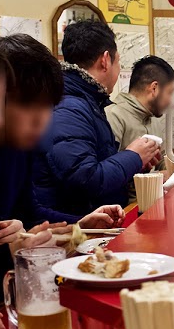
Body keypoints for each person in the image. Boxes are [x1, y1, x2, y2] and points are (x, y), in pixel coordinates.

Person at [0, 34, 124, 309]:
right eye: (29, 106)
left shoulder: (20, 150)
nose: (42, 120)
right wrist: (11, 250)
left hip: (5, 297)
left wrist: (79, 226)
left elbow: (28, 212)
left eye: (48, 107)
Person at [33, 21, 160, 216]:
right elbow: (85, 180)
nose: (117, 71)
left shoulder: (87, 100)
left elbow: (93, 165)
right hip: (72, 232)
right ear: (105, 60)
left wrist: (136, 160)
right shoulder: (70, 106)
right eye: (118, 62)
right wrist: (132, 156)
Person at [106, 55, 174, 202]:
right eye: (169, 93)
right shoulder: (114, 116)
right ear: (154, 88)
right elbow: (107, 175)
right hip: (125, 209)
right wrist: (152, 176)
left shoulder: (151, 118)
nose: (170, 101)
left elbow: (161, 162)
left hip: (152, 202)